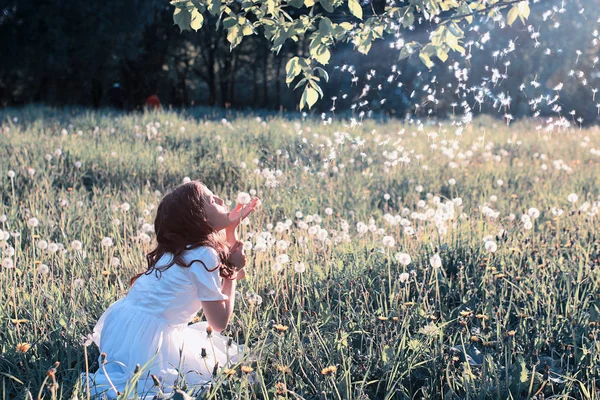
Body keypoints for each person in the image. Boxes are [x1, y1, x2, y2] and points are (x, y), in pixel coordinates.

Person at [83, 181, 260, 398]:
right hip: (149, 343)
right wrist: (232, 273)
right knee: (210, 369)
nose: (222, 201)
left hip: (122, 328)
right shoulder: (205, 255)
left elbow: (231, 264)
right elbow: (219, 322)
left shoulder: (179, 250)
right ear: (199, 217)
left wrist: (231, 230)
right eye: (212, 200)